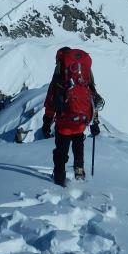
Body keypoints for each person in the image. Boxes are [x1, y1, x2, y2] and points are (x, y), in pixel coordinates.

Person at [42, 47, 102, 186]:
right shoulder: (84, 77)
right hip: (81, 121)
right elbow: (92, 99)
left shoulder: (58, 77)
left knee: (61, 152)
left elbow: (51, 102)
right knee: (78, 146)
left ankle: (59, 178)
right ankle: (79, 172)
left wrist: (47, 123)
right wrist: (95, 122)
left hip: (64, 123)